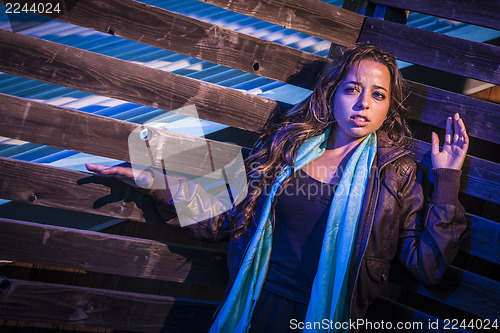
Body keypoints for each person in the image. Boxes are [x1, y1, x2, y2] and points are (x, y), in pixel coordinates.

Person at [86, 44, 468, 332]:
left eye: (378, 95)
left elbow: (428, 265)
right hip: (255, 304)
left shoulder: (395, 173)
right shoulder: (285, 149)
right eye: (352, 89)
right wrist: (154, 183)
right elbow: (226, 219)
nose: (363, 103)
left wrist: (447, 179)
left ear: (388, 109)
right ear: (332, 92)